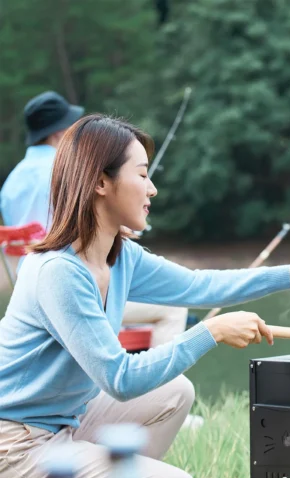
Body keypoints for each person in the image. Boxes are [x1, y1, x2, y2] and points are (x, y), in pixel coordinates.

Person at [0, 114, 290, 478]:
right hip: (12, 445)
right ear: (99, 182)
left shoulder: (120, 255)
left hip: (59, 428)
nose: (152, 188)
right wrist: (211, 333)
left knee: (174, 392)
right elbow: (120, 379)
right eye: (141, 173)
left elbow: (202, 285)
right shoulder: (57, 271)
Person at [0, 90, 189, 352]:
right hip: (74, 290)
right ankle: (158, 385)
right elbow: (75, 231)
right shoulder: (68, 171)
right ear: (58, 134)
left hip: (26, 292)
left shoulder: (10, 183)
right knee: (174, 307)